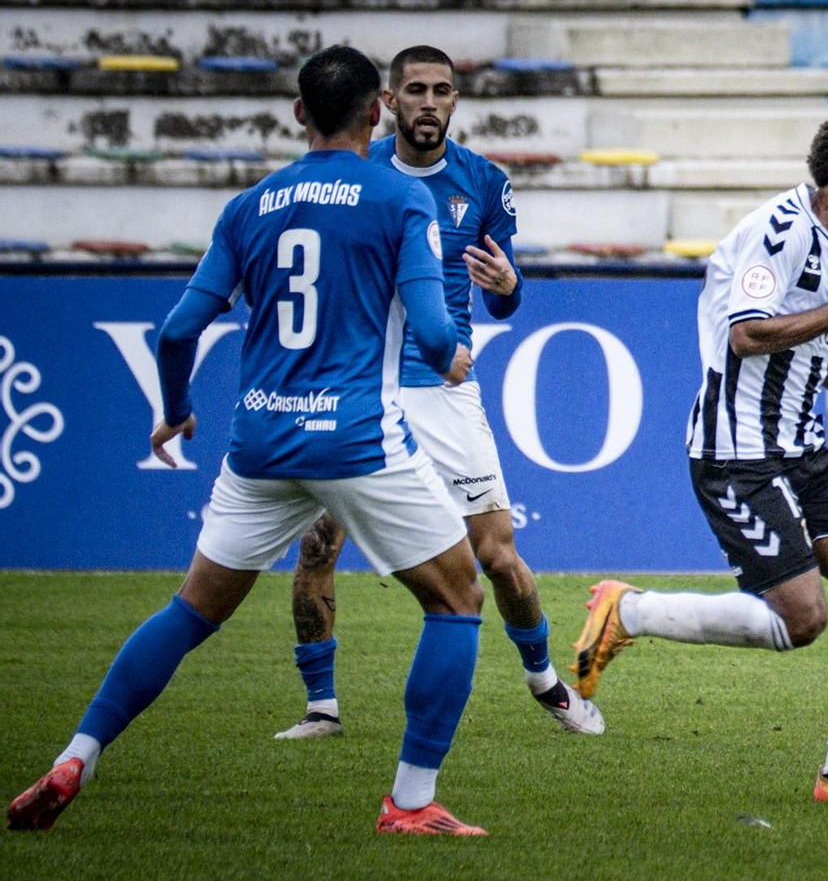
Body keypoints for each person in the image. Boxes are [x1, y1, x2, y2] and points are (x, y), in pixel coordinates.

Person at [7, 45, 494, 835]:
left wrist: (174, 409)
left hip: (260, 440)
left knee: (190, 612)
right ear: (379, 112)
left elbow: (177, 331)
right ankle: (410, 802)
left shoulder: (249, 206)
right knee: (457, 600)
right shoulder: (401, 200)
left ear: (298, 113)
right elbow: (435, 330)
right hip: (357, 440)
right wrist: (451, 357)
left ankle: (77, 754)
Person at [568, 107, 828, 803]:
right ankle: (627, 611)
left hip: (803, 448)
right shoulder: (777, 233)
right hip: (737, 453)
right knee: (802, 621)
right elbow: (747, 335)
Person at [273, 45, 602, 743]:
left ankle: (546, 682)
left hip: (445, 385)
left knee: (498, 553)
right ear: (386, 102)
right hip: (360, 383)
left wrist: (510, 290)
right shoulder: (353, 177)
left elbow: (507, 293)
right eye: (415, 90)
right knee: (316, 547)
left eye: (442, 90)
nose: (429, 102)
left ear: (456, 100)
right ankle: (321, 708)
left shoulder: (482, 182)